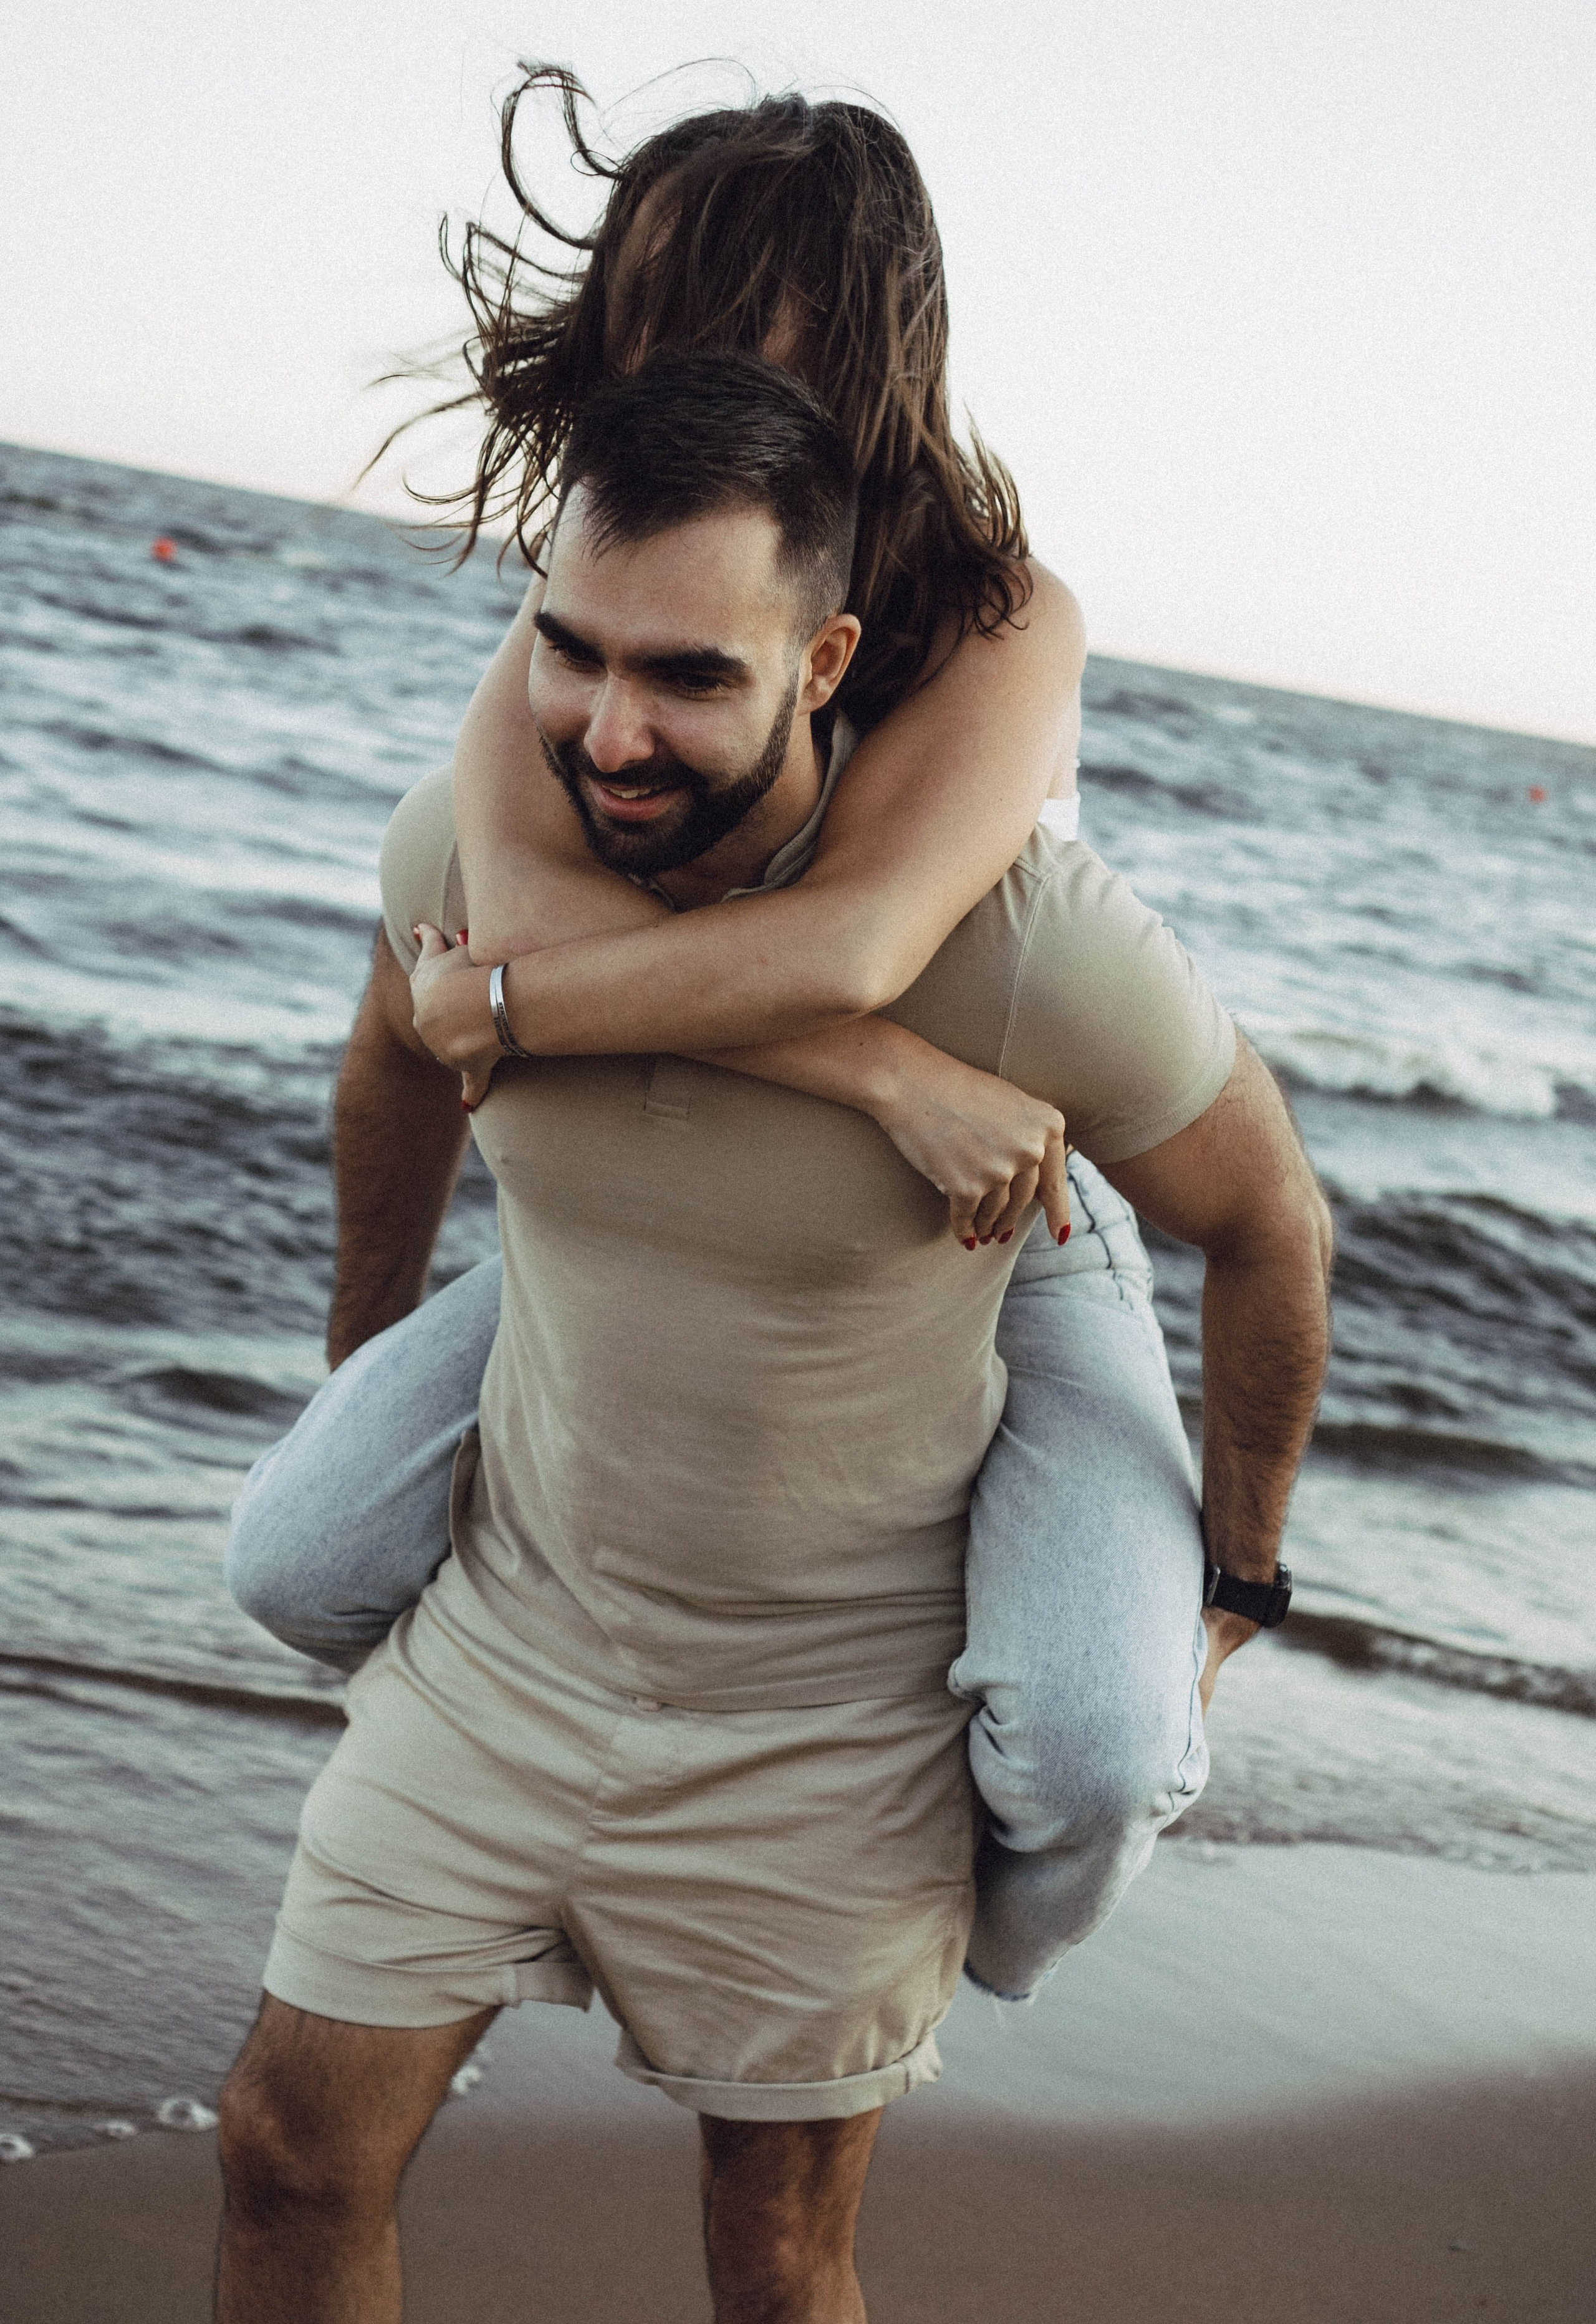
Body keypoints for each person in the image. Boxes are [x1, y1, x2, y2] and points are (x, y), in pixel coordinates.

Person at [215, 353, 1331, 2324]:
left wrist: (1241, 1577)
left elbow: (1270, 1223)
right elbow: (393, 1063)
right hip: (506, 1653)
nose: (607, 730)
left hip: (831, 1738)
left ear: (824, 663)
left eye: (688, 678)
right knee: (288, 2155)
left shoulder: (1025, 950)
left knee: (776, 2270)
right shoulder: (471, 857)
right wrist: (368, 1362)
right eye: (569, 651)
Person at [228, 70, 1294, 2002]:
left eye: (734, 326)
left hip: (1001, 1209)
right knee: (297, 1553)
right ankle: (533, 1799)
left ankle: (922, 1921)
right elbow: (520, 943)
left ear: (868, 363)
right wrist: (878, 1074)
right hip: (698, 1184)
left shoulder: (996, 620)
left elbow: (857, 940)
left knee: (1098, 1745)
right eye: (650, 317)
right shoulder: (599, 604)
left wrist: (1239, 1578)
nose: (674, 369)